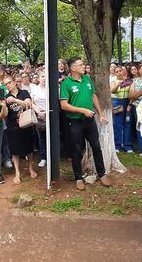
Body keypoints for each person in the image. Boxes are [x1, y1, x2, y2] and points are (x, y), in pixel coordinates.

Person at [60, 57, 113, 190]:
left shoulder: (87, 79)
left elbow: (93, 96)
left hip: (89, 120)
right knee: (76, 150)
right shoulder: (66, 83)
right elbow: (64, 105)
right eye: (80, 65)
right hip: (74, 121)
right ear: (73, 68)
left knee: (96, 146)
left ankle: (102, 174)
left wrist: (100, 114)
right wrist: (82, 110)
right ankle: (78, 177)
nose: (84, 66)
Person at [3, 76, 37, 184]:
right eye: (6, 84)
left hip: (26, 123)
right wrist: (3, 106)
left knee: (29, 147)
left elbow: (29, 104)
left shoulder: (24, 93)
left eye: (9, 82)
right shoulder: (5, 97)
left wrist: (15, 100)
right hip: (13, 125)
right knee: (15, 149)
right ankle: (17, 172)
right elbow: (5, 114)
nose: (8, 85)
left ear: (14, 82)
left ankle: (31, 168)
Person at [110, 66, 132, 152]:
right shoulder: (113, 81)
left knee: (127, 123)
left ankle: (128, 146)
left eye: (120, 71)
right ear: (115, 73)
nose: (119, 72)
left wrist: (130, 103)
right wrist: (118, 85)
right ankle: (117, 145)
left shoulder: (129, 81)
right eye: (117, 71)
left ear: (123, 72)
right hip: (117, 102)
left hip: (127, 101)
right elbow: (112, 91)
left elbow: (132, 92)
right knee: (118, 124)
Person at [29, 71, 48, 167]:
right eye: (42, 76)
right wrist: (39, 112)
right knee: (41, 137)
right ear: (39, 78)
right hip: (39, 116)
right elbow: (32, 103)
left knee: (52, 137)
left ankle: (52, 157)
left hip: (50, 115)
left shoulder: (52, 88)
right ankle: (43, 157)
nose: (44, 78)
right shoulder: (34, 89)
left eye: (46, 76)